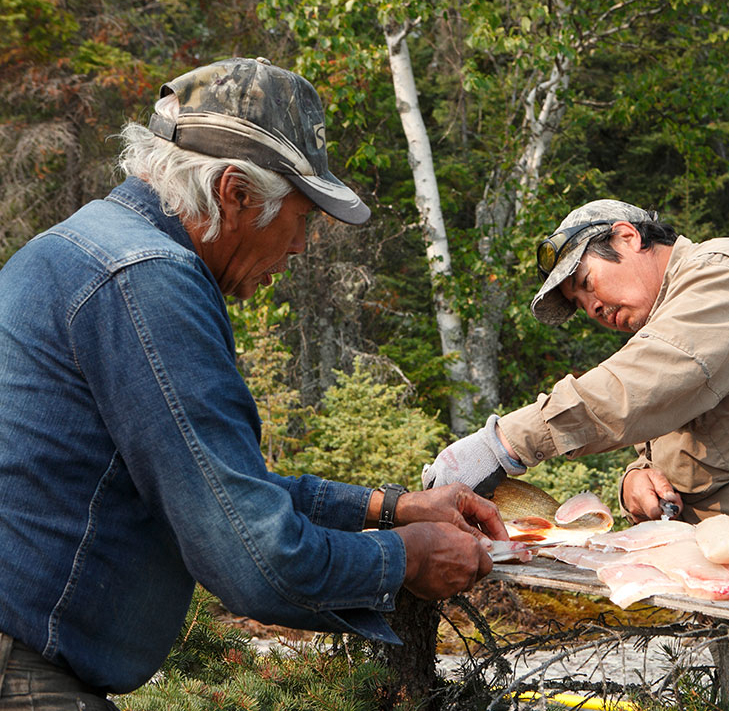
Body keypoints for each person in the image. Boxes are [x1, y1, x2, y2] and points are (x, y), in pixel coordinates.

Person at [0, 57, 505, 707]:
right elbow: (252, 554)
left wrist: (391, 508)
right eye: (304, 216)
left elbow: (212, 489)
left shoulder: (80, 247)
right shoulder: (149, 279)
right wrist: (404, 556)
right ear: (235, 192)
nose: (301, 247)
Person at [424, 199, 729, 555]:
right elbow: (660, 437)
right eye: (580, 306)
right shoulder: (664, 329)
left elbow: (629, 394)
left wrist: (503, 443)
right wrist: (634, 484)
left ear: (628, 237)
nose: (592, 307)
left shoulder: (722, 275)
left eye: (586, 283)